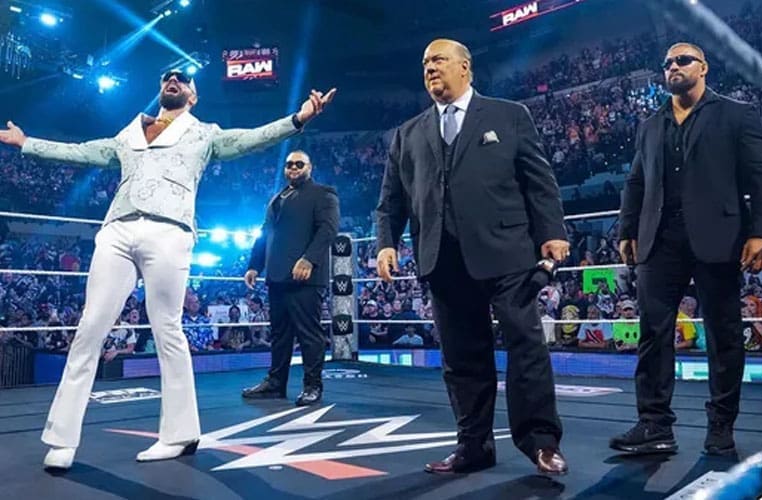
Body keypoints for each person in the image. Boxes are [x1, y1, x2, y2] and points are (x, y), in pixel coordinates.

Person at [0, 69, 335, 469]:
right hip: (118, 229)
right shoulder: (129, 133)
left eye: (183, 78)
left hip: (170, 230)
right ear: (161, 88)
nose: (173, 79)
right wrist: (27, 143)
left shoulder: (205, 133)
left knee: (168, 331)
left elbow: (252, 138)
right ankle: (61, 439)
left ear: (193, 96)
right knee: (90, 328)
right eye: (167, 77)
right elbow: (83, 151)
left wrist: (298, 119)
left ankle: (179, 434)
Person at [375, 39, 570, 475]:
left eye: (438, 60)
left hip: (507, 251)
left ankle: (541, 442)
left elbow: (539, 181)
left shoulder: (508, 115)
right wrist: (387, 243)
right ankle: (473, 445)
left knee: (526, 347)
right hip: (442, 258)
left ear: (465, 67)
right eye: (425, 62)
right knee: (462, 358)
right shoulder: (408, 133)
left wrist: (552, 232)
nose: (430, 68)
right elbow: (390, 201)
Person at [612, 42, 762, 456]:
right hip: (658, 239)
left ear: (702, 67)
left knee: (723, 333)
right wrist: (626, 230)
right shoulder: (650, 124)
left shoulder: (736, 114)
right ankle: (654, 424)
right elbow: (636, 182)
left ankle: (721, 424)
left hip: (718, 237)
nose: (673, 66)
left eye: (682, 60)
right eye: (667, 63)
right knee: (653, 333)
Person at [241, 150, 339, 406]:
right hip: (277, 275)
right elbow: (265, 233)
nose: (293, 168)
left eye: (299, 164)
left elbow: (328, 230)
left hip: (305, 276)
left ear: (309, 167)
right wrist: (254, 265)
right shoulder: (277, 197)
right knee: (279, 333)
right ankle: (276, 383)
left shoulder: (323, 194)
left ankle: (312, 385)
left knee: (309, 333)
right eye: (289, 164)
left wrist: (309, 259)